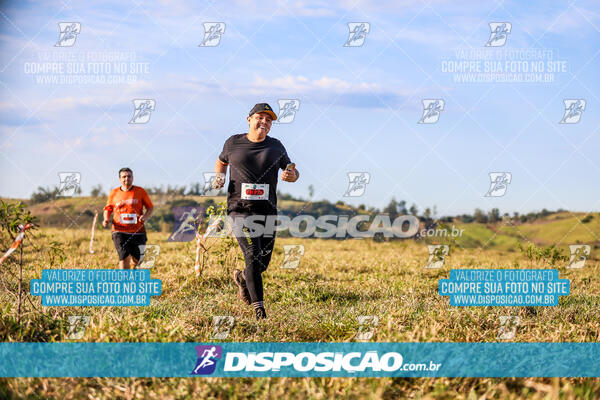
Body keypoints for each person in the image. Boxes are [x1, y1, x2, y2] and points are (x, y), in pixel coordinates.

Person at [213, 103, 299, 320]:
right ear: (249, 119)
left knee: (262, 263)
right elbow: (221, 162)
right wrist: (220, 177)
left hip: (267, 211)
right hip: (239, 210)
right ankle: (259, 311)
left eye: (269, 120)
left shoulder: (276, 147)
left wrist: (292, 175)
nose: (264, 122)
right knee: (252, 255)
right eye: (260, 118)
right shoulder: (233, 143)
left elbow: (291, 169)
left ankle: (242, 278)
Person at [103, 168, 154, 269]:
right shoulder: (114, 193)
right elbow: (108, 208)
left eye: (129, 176)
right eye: (124, 177)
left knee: (137, 259)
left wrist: (145, 216)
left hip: (138, 231)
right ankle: (124, 282)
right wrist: (106, 219)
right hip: (119, 231)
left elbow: (150, 207)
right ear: (120, 179)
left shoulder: (140, 191)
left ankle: (133, 268)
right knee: (124, 256)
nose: (127, 179)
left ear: (132, 178)